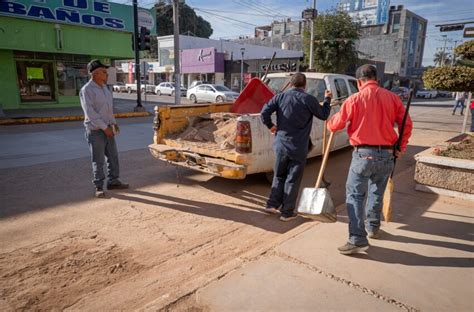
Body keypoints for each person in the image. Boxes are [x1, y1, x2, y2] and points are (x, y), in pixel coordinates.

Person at [327, 64, 412, 255]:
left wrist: (329, 121)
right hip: (387, 155)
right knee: (376, 192)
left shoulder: (354, 99)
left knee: (356, 196)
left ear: (359, 82)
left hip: (363, 155)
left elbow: (335, 125)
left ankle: (357, 238)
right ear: (377, 80)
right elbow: (406, 124)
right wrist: (402, 146)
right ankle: (373, 228)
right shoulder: (392, 98)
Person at [261, 73, 332, 221]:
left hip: (280, 144)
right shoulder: (308, 99)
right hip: (298, 147)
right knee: (292, 179)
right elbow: (324, 115)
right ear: (304, 85)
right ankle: (287, 213)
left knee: (279, 175)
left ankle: (272, 204)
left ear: (291, 83)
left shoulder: (280, 97)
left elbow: (264, 113)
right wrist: (327, 99)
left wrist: (271, 126)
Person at [80, 59, 129, 198]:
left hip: (108, 128)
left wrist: (113, 123)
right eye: (103, 71)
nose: (106, 74)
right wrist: (104, 128)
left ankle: (113, 181)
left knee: (113, 157)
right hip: (95, 131)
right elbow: (90, 113)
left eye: (106, 71)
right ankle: (99, 186)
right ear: (94, 74)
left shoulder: (105, 88)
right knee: (98, 159)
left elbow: (108, 110)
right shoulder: (86, 90)